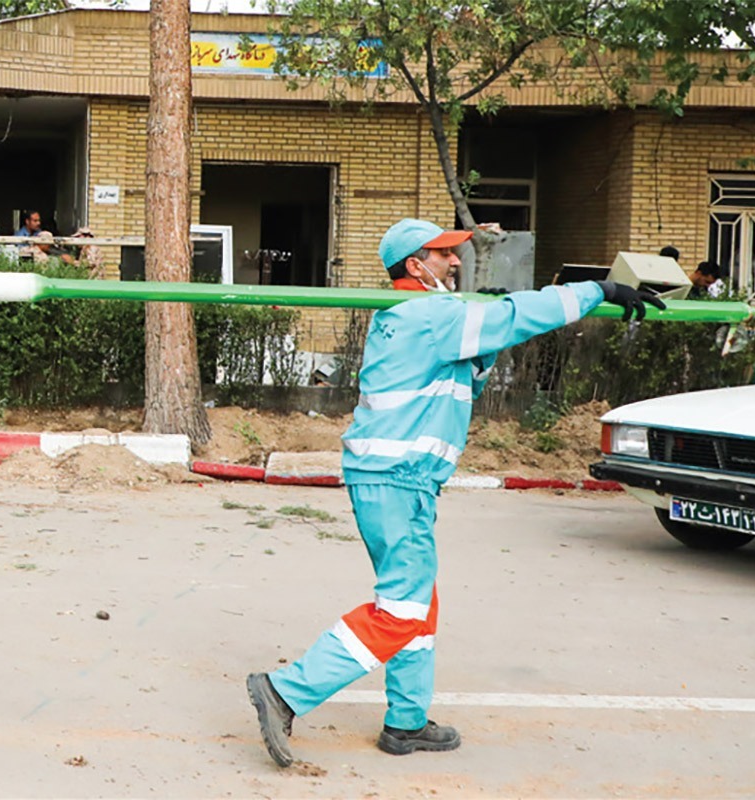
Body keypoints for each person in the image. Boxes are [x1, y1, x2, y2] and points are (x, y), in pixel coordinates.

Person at [245, 218, 664, 767]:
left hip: (394, 479)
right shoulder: (432, 315)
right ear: (416, 265)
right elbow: (519, 316)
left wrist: (483, 335)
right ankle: (286, 691)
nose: (456, 261)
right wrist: (598, 290)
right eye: (444, 254)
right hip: (399, 480)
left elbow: (465, 375)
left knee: (417, 604)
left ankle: (406, 721)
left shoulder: (407, 316)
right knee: (401, 611)